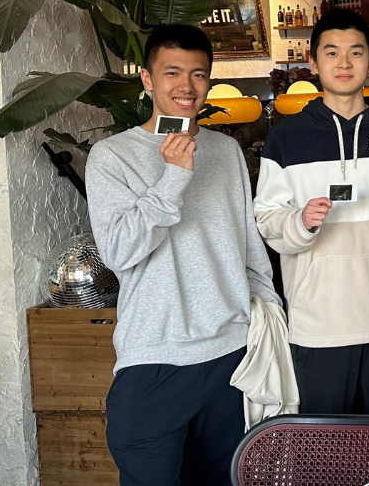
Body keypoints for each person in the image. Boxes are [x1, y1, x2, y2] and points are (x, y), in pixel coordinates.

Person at [86, 24, 281, 486]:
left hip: (230, 356)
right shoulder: (112, 157)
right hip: (154, 358)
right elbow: (119, 251)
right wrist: (172, 177)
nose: (186, 86)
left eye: (198, 75)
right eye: (172, 72)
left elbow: (248, 246)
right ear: (147, 79)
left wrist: (264, 309)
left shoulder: (227, 151)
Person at [253, 8, 369, 446]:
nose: (343, 63)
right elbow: (266, 220)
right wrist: (299, 222)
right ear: (313, 63)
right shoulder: (286, 138)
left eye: (355, 53)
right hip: (317, 325)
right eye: (331, 53)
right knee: (324, 452)